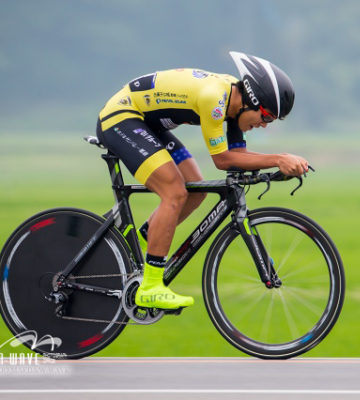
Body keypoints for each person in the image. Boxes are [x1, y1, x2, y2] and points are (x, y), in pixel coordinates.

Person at [96, 51, 309, 310]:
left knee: (196, 188)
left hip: (149, 126)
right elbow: (223, 160)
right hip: (122, 118)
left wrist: (278, 166)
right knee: (174, 191)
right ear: (251, 100)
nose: (264, 125)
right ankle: (150, 287)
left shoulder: (235, 105)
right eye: (265, 117)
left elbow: (239, 156)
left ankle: (146, 240)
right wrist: (279, 158)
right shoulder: (215, 99)